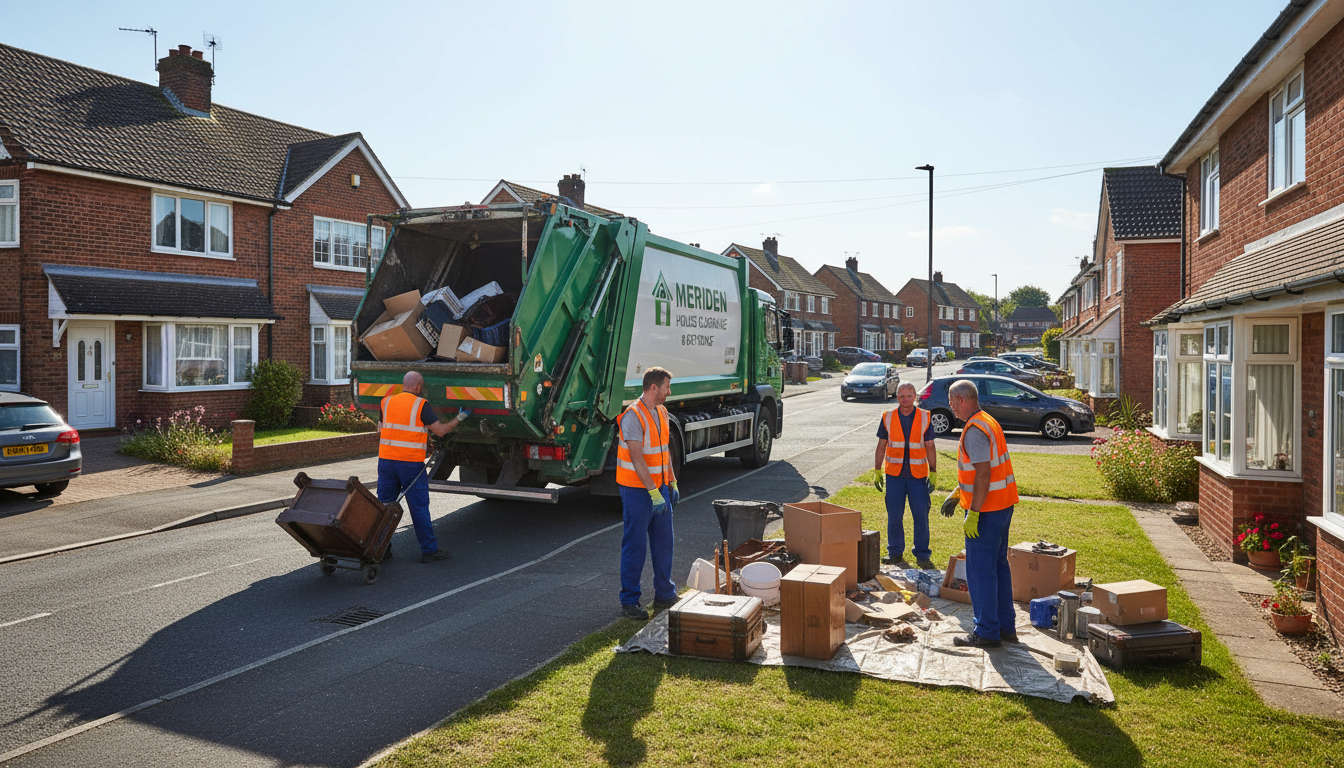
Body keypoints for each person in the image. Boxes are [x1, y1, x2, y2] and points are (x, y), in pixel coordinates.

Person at [946, 379, 1019, 648]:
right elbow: (981, 471)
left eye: (952, 401)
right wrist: (958, 494)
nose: (950, 406)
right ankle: (1005, 627)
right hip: (1002, 506)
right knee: (999, 567)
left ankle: (987, 632)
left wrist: (973, 512)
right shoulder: (987, 420)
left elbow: (984, 474)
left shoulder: (974, 429)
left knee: (980, 572)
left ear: (962, 400)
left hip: (986, 512)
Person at [377, 371, 471, 563]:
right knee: (419, 507)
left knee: (384, 506)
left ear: (404, 385)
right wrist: (460, 418)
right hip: (410, 464)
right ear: (419, 386)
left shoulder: (386, 402)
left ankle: (381, 548)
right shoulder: (421, 404)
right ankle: (429, 550)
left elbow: (381, 429)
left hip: (386, 461)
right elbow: (441, 431)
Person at [615, 366, 679, 621]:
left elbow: (664, 451)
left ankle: (665, 593)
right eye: (666, 387)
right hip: (637, 490)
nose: (668, 392)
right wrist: (653, 492)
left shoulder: (661, 412)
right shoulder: (633, 415)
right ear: (654, 387)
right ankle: (630, 601)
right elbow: (637, 458)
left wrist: (671, 481)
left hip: (659, 488)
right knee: (636, 546)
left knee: (665, 542)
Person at [873, 381, 938, 569]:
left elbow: (930, 446)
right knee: (894, 515)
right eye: (902, 396)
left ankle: (922, 554)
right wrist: (877, 469)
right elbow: (881, 444)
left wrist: (933, 472)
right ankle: (894, 552)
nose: (905, 399)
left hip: (917, 477)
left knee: (921, 516)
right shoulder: (888, 417)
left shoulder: (925, 417)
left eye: (909, 396)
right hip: (894, 475)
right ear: (897, 397)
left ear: (915, 396)